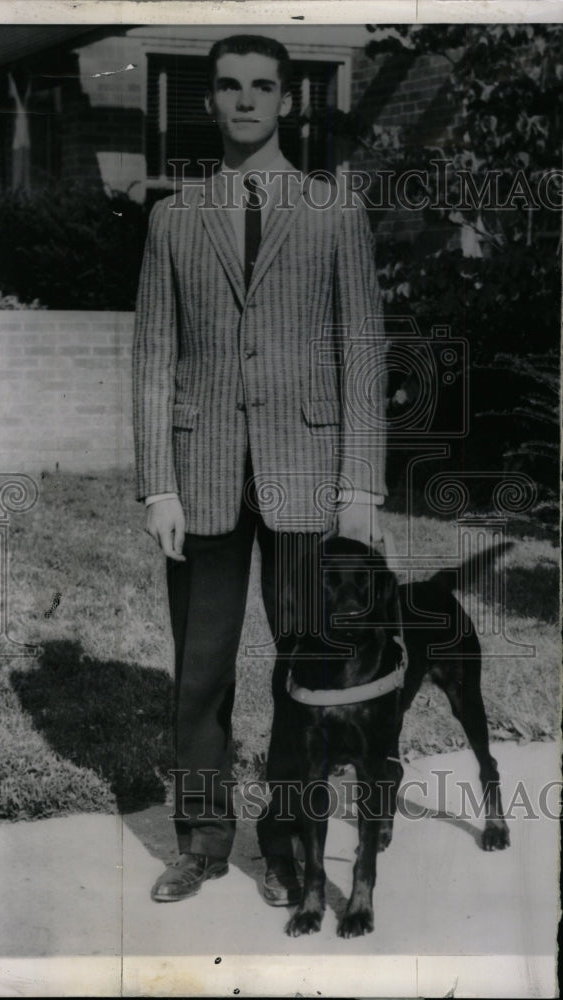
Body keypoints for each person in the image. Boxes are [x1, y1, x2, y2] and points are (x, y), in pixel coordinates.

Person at [133, 33, 387, 905]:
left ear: (286, 102)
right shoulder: (174, 217)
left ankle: (285, 848)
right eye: (228, 87)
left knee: (301, 670)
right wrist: (157, 482)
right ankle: (203, 842)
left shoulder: (332, 211)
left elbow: (362, 351)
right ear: (208, 102)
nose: (245, 100)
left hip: (307, 477)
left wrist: (360, 486)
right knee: (200, 669)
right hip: (199, 476)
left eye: (262, 87)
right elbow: (152, 355)